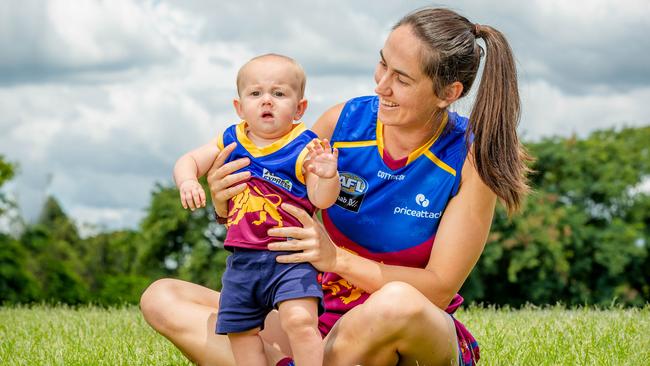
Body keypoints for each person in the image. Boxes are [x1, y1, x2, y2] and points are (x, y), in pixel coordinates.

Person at [141, 7, 530, 366]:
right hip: (318, 314)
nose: (381, 85)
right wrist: (225, 204)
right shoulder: (341, 123)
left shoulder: (471, 160)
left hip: (404, 331)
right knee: (163, 297)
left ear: (449, 94)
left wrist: (336, 259)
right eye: (382, 64)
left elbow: (439, 290)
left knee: (398, 304)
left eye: (402, 79)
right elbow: (276, 201)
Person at [172, 53, 340, 366]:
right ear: (239, 107)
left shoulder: (304, 145)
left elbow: (321, 199)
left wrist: (329, 176)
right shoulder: (231, 139)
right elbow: (189, 161)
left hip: (291, 257)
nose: (267, 101)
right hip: (243, 261)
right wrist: (188, 182)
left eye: (278, 94)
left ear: (299, 108)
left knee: (301, 321)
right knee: (241, 332)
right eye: (255, 93)